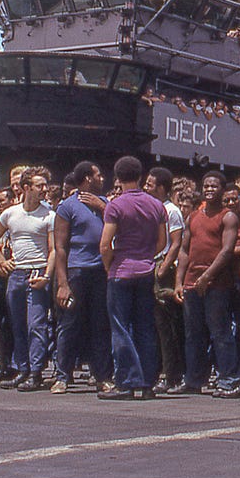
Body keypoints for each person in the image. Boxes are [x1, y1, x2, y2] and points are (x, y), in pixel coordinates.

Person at [100, 156, 166, 400]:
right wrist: (147, 255)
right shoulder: (156, 205)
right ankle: (147, 383)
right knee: (145, 328)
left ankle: (126, 381)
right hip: (146, 270)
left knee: (120, 327)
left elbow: (105, 244)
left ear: (117, 178)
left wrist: (110, 266)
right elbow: (162, 241)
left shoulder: (115, 206)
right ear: (140, 176)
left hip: (121, 270)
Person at [173, 171, 240, 395]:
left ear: (222, 189)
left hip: (217, 285)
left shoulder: (228, 216)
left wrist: (207, 277)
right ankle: (193, 379)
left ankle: (228, 379)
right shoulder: (193, 216)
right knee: (193, 334)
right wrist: (179, 282)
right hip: (192, 283)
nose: (210, 189)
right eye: (206, 186)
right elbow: (184, 251)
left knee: (220, 332)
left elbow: (227, 251)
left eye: (214, 186)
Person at [0, 168, 56, 392]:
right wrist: (1, 260)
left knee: (36, 324)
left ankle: (36, 372)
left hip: (37, 270)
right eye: (40, 186)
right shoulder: (11, 214)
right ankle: (23, 369)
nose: (44, 190)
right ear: (27, 188)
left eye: (45, 186)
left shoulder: (49, 215)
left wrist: (47, 275)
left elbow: (53, 249)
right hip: (16, 273)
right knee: (17, 324)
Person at [51, 161, 112, 394]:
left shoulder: (106, 203)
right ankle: (62, 376)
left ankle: (102, 376)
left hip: (101, 271)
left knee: (100, 325)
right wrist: (63, 283)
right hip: (76, 272)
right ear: (87, 178)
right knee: (69, 324)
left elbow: (123, 226)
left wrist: (102, 207)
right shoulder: (67, 207)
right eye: (98, 174)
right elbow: (60, 247)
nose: (102, 178)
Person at [144, 166, 187, 392]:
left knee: (166, 326)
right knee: (153, 325)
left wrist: (163, 268)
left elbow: (176, 243)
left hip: (163, 268)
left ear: (161, 188)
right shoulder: (151, 208)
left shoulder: (172, 211)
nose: (146, 187)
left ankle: (170, 375)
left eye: (150, 184)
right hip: (148, 265)